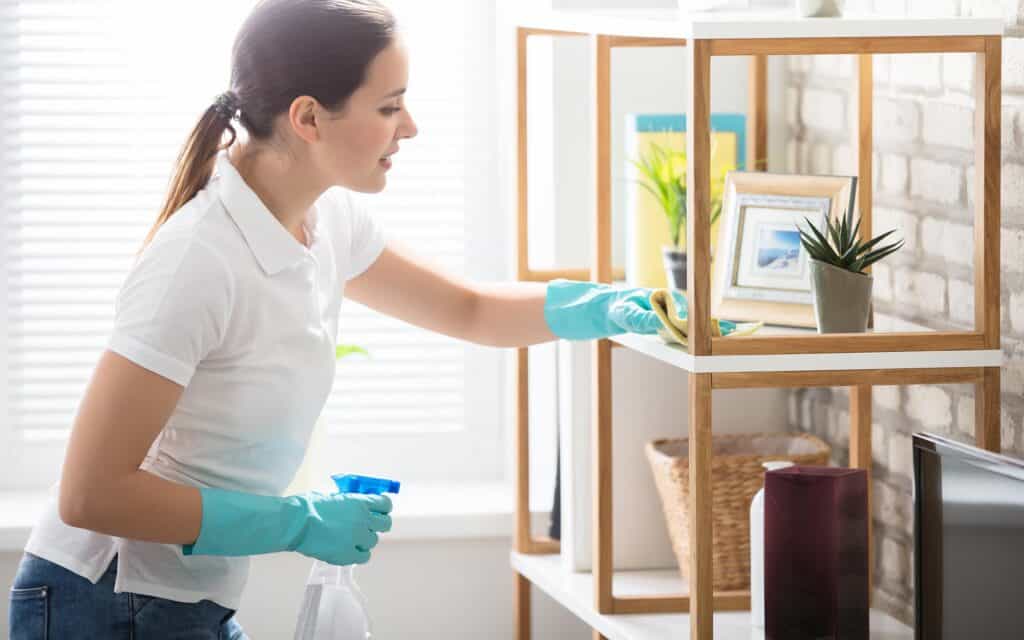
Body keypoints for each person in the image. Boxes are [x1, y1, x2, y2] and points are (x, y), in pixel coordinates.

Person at [7, 1, 682, 637]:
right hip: (103, 599)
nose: (410, 127)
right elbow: (91, 495)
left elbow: (469, 309)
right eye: (389, 107)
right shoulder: (197, 260)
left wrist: (602, 305)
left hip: (181, 599)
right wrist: (294, 522)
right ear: (307, 117)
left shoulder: (325, 222)